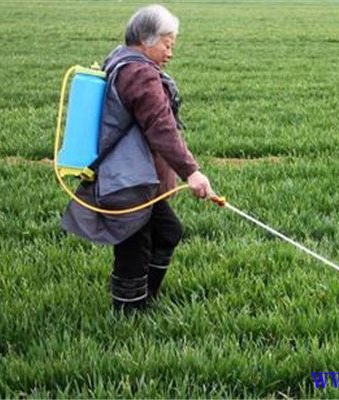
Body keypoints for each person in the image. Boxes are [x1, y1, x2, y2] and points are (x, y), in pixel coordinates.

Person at [61, 4, 212, 313]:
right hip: (128, 179)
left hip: (138, 178)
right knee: (134, 246)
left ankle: (147, 299)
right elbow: (161, 127)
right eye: (167, 44)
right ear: (145, 39)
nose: (171, 52)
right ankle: (128, 315)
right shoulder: (139, 73)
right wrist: (192, 172)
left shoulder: (122, 60)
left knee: (167, 232)